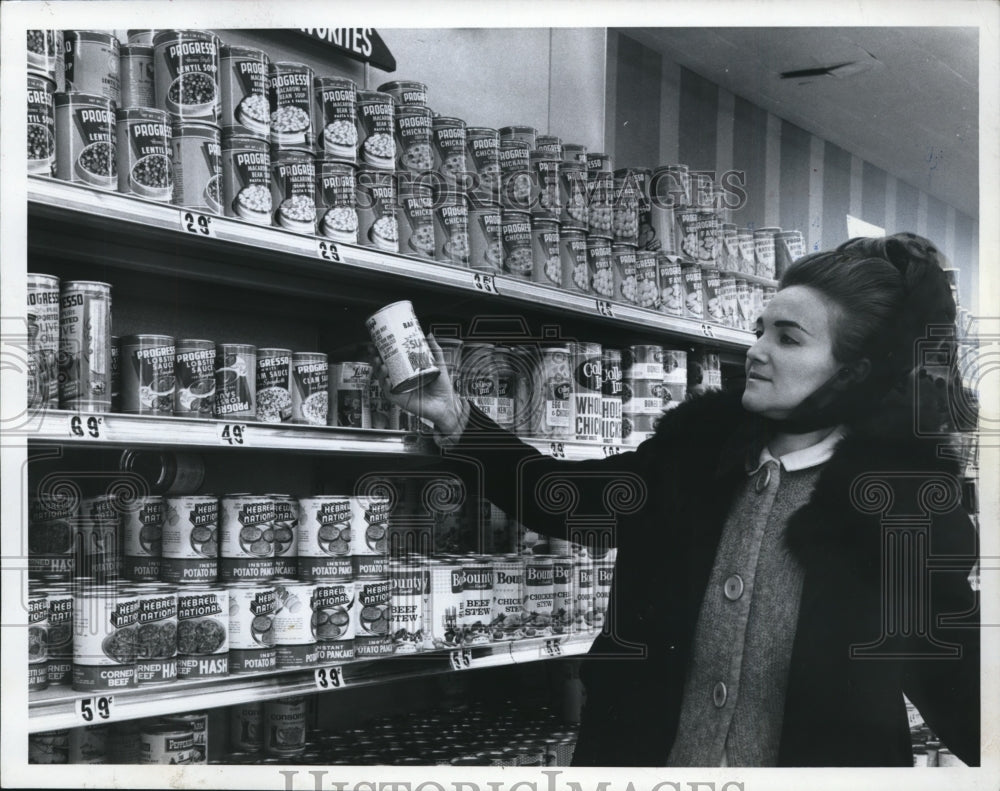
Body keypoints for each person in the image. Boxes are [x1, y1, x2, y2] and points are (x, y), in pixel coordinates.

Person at [372, 232, 980, 767]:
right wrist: (453, 416)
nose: (757, 351)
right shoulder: (692, 455)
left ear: (854, 372)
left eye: (789, 339)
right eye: (760, 330)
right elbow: (558, 498)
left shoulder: (906, 509)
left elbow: (959, 685)